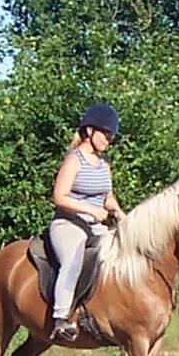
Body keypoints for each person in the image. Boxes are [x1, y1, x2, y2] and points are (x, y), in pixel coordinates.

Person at [48, 103, 126, 342]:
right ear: (90, 131)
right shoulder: (74, 160)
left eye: (111, 135)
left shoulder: (103, 165)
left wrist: (121, 214)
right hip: (68, 224)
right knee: (73, 260)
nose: (109, 139)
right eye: (106, 133)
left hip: (95, 226)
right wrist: (90, 210)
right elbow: (59, 197)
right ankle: (61, 317)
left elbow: (107, 197)